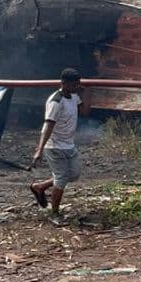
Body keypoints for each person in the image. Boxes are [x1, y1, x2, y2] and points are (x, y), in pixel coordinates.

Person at [29, 68, 91, 222]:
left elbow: (85, 112)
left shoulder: (74, 97)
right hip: (54, 146)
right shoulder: (55, 101)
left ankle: (40, 186)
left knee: (74, 174)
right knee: (61, 179)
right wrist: (39, 149)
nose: (76, 87)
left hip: (69, 144)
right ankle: (55, 213)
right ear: (63, 83)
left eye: (78, 84)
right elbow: (48, 125)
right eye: (74, 84)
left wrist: (87, 93)